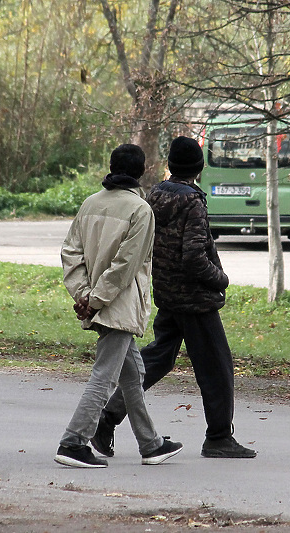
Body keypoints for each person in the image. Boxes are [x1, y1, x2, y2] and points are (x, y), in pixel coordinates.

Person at [92, 136, 256, 459]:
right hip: (195, 300)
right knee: (218, 367)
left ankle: (106, 420)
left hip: (166, 293)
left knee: (156, 361)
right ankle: (219, 437)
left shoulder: (156, 195)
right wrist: (220, 278)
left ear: (170, 166)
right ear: (199, 168)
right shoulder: (192, 203)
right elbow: (194, 256)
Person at [54, 143, 183, 469]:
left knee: (133, 375)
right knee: (105, 378)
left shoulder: (90, 204)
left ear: (112, 167)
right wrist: (94, 300)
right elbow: (126, 267)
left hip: (97, 302)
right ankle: (73, 441)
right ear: (141, 172)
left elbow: (70, 254)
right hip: (117, 305)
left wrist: (83, 295)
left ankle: (150, 444)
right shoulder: (140, 210)